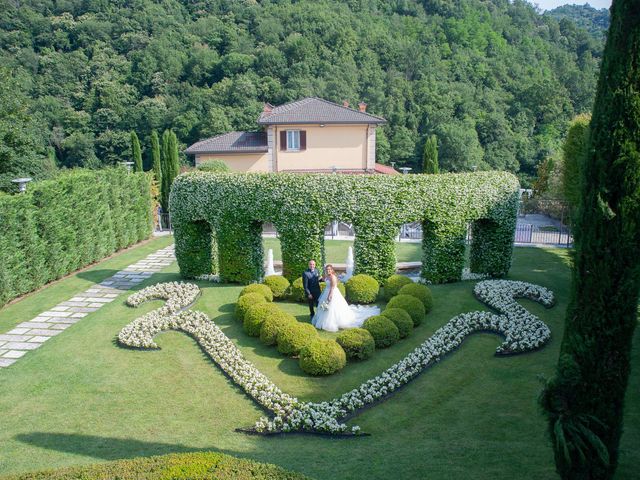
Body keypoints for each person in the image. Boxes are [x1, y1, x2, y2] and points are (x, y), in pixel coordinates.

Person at [312, 264, 379, 332]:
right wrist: (319, 277)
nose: (328, 271)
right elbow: (323, 279)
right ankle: (322, 320)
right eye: (327, 270)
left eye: (329, 269)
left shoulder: (333, 277)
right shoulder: (327, 276)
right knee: (325, 307)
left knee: (332, 307)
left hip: (332, 293)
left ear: (332, 270)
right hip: (326, 292)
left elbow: (332, 287)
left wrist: (330, 295)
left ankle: (333, 322)